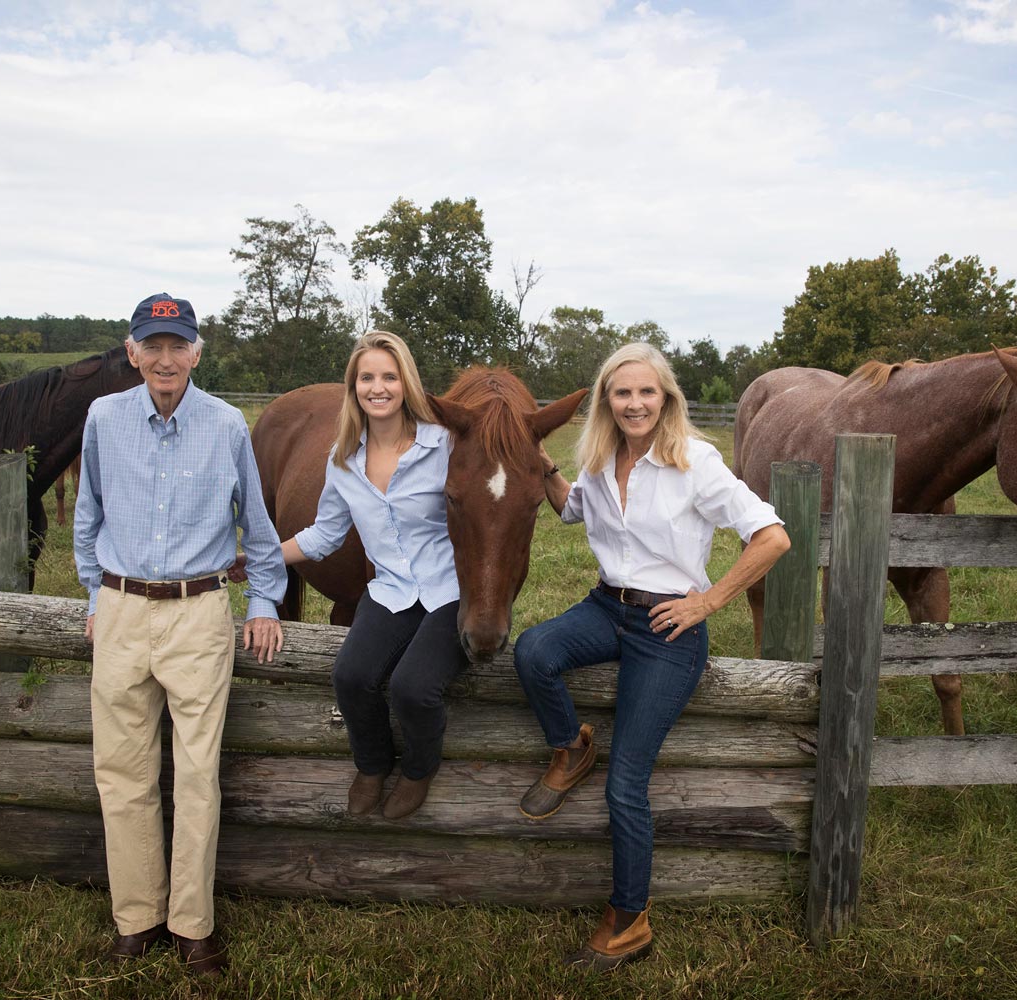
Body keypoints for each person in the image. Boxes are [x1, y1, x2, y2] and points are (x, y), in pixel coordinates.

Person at [513, 342, 790, 971]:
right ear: (607, 400)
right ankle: (570, 745)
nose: (635, 403)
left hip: (669, 626)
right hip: (608, 606)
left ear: (665, 397)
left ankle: (629, 920)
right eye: (622, 392)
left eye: (647, 392)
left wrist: (708, 601)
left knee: (626, 784)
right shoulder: (598, 460)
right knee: (532, 651)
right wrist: (540, 464)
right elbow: (571, 509)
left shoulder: (696, 462)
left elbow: (773, 536)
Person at [74, 292, 286, 979]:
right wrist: (93, 595)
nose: (165, 358)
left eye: (178, 345)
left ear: (198, 352)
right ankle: (136, 918)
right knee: (123, 773)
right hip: (123, 609)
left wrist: (266, 604)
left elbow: (258, 525)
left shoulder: (226, 425)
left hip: (199, 613)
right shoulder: (104, 418)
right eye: (152, 345)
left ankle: (194, 926)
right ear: (131, 352)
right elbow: (88, 515)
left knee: (197, 776)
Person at [280, 330, 467, 820]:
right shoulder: (344, 461)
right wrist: (262, 558)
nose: (377, 387)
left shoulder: (443, 445)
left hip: (451, 590)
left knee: (413, 687)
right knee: (350, 675)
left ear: (407, 383)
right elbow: (325, 534)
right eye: (367, 377)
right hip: (391, 590)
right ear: (354, 386)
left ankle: (419, 768)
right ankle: (373, 764)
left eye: (389, 376)